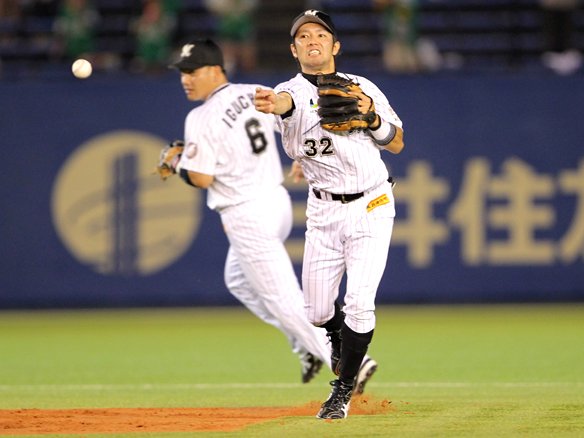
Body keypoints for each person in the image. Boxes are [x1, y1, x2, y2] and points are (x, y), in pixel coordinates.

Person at [162, 38, 378, 388]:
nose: (185, 79)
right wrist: (303, 159)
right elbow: (295, 125)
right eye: (182, 72)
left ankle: (353, 362)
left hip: (246, 214)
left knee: (285, 298)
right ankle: (303, 343)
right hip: (275, 203)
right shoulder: (255, 92)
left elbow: (201, 177)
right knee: (238, 280)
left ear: (215, 70)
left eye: (192, 71)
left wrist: (176, 163)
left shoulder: (200, 116)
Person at [254, 10, 404, 419]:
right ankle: (340, 341)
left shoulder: (363, 87)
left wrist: (371, 117)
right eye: (303, 36)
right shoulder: (289, 92)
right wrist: (272, 104)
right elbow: (284, 105)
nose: (312, 41)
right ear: (294, 49)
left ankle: (342, 391)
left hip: (372, 205)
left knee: (359, 303)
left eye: (320, 34)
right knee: (317, 311)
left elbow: (396, 142)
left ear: (335, 45)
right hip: (323, 210)